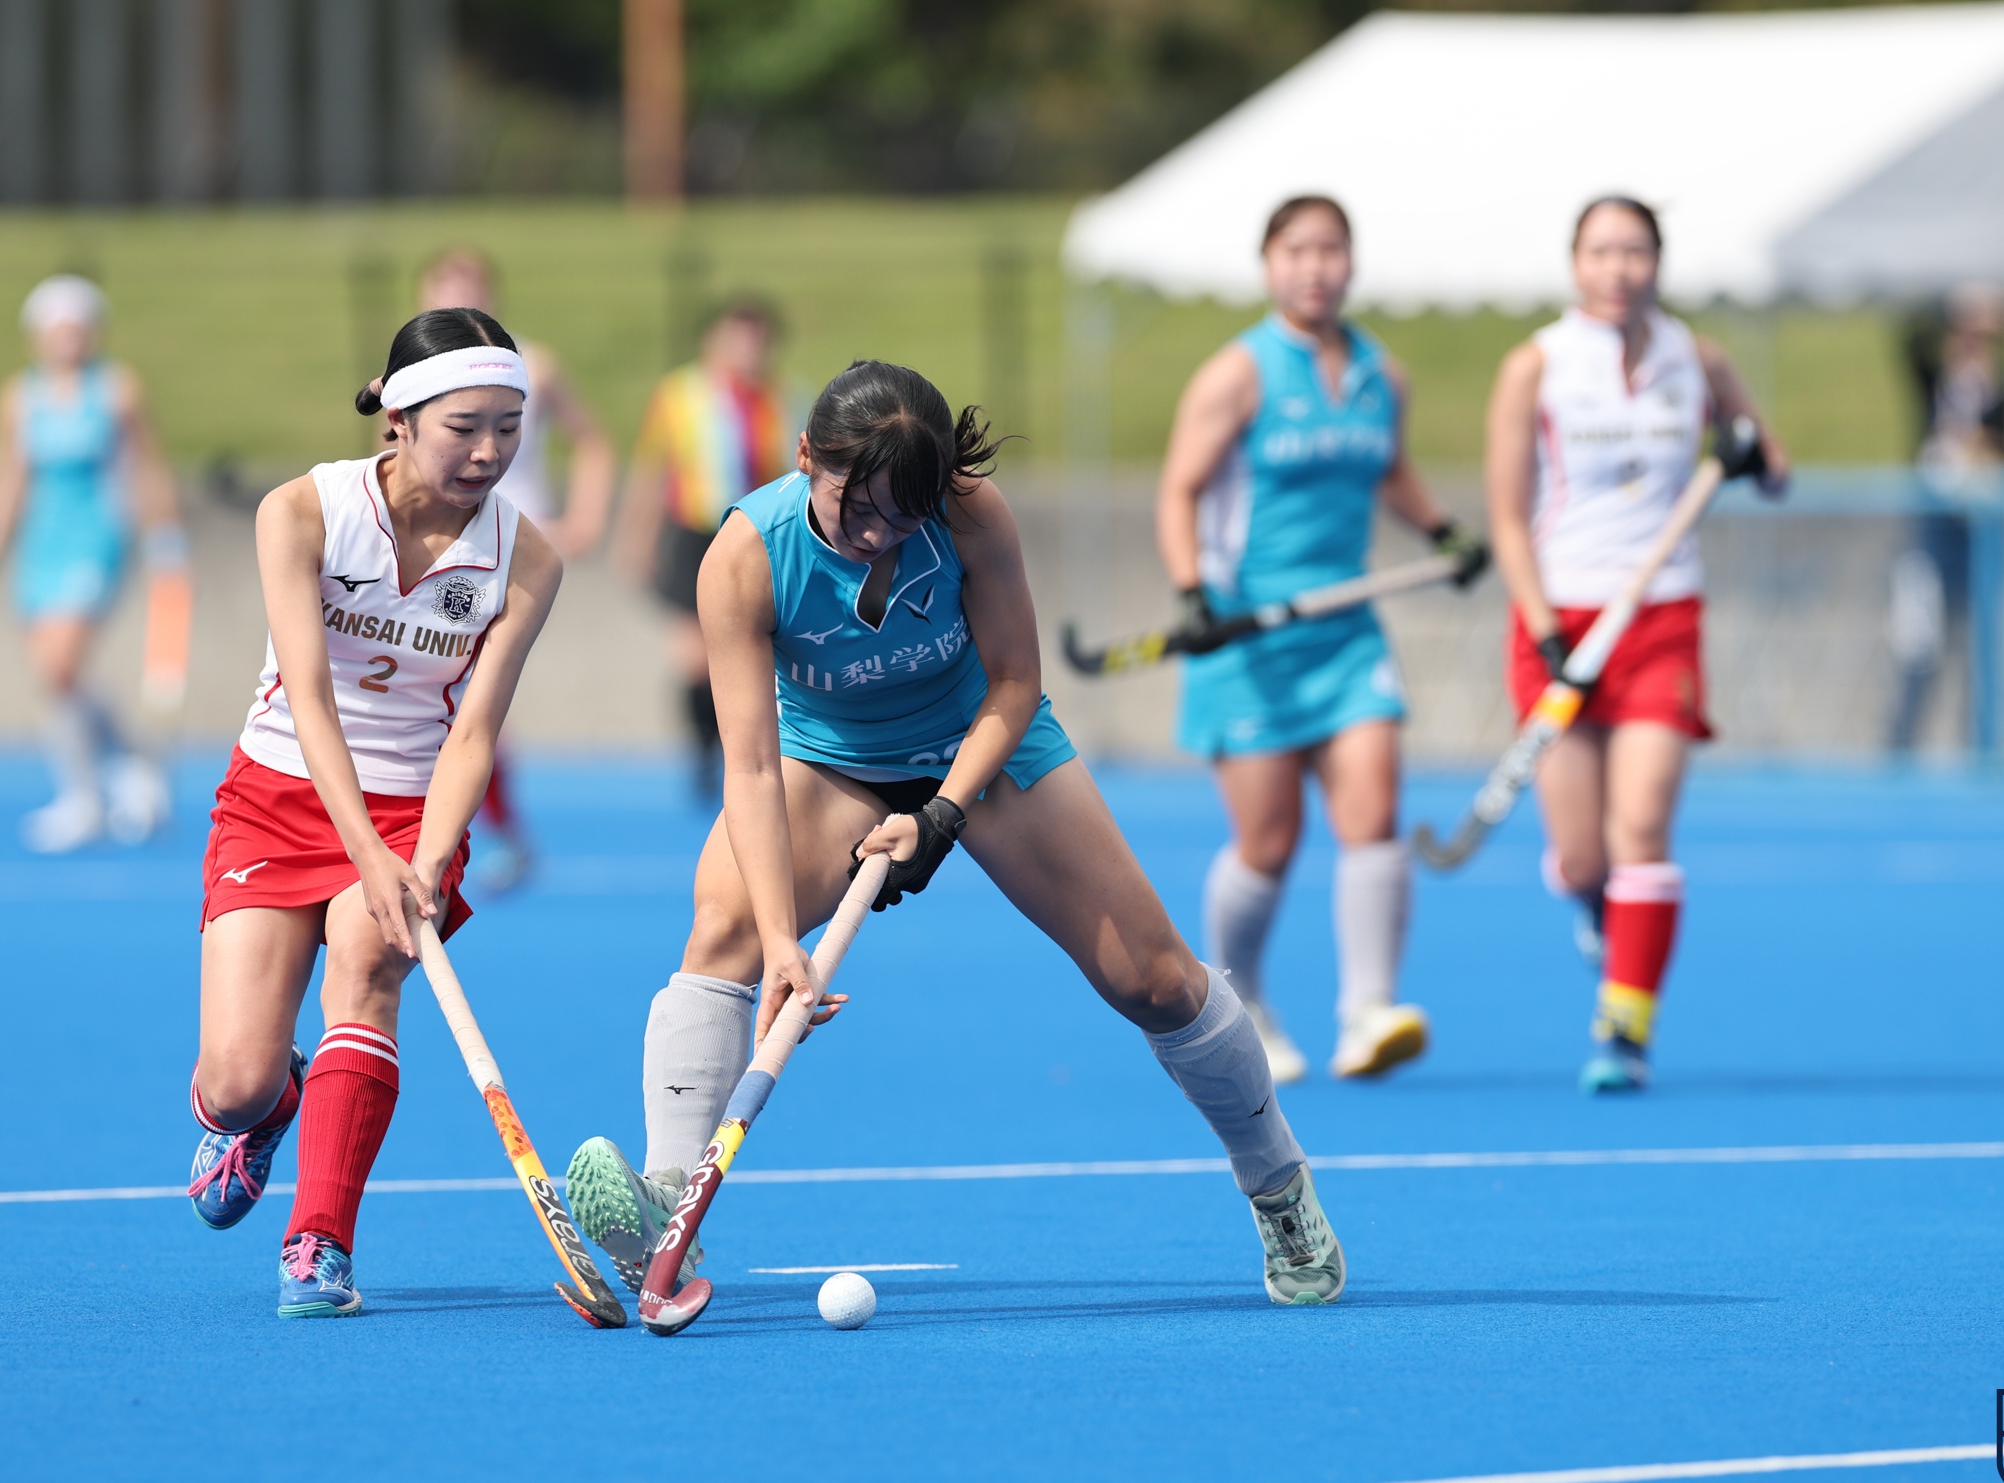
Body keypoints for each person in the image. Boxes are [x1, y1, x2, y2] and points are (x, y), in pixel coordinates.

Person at [563, 360, 1347, 1307]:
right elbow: (754, 768)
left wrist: (941, 813)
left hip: (980, 741)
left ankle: (1276, 1182)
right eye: (857, 507)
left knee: (1156, 980)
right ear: (806, 456)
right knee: (725, 928)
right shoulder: (742, 559)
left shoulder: (969, 513)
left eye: (901, 518)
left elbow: (1015, 680)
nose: (875, 534)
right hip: (829, 758)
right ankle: (667, 1207)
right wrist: (781, 944)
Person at [181, 308, 563, 1317]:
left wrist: (425, 861)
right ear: (399, 416)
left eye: (509, 428)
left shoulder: (527, 560)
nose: (489, 453)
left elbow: (475, 732)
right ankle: (271, 1103)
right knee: (232, 1082)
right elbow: (308, 695)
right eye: (464, 428)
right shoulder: (301, 513)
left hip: (412, 810)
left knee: (366, 971)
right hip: (279, 794)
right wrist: (360, 847)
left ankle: (319, 1243)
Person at [1156, 196, 1480, 1087]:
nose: (1315, 267)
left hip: (1345, 635)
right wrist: (1191, 593)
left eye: (1331, 249)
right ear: (1269, 263)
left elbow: (1388, 469)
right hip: (1247, 639)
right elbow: (1180, 489)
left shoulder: (1382, 373)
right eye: (1297, 250)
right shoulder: (1238, 374)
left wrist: (1441, 530)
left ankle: (1369, 1010)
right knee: (1269, 842)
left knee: (1373, 814)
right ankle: (1238, 1006)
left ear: (1352, 262)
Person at [1483, 196, 1787, 1094]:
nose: (1618, 269)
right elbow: (1507, 518)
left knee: (1643, 828)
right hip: (1560, 620)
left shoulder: (1698, 358)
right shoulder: (1535, 365)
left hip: (1661, 617)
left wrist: (1752, 455)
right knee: (1584, 857)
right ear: (1575, 263)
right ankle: (1598, 908)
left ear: (1659, 260)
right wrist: (1545, 630)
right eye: (1601, 251)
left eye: (1635, 251)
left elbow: (1773, 467)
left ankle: (1626, 1028)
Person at [415, 248, 617, 888]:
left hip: (508, 547)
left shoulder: (534, 365)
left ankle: (483, 831)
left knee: (467, 687)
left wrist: (583, 519)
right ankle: (481, 828)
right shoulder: (412, 377)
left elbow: (592, 439)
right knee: (449, 687)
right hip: (443, 548)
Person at [0, 275, 180, 853]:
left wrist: (165, 535)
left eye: (76, 328)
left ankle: (89, 796)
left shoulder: (116, 390)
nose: (67, 339)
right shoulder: (19, 398)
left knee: (61, 661)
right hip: (42, 544)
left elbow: (146, 466)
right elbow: (6, 478)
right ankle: (126, 765)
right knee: (54, 677)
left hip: (97, 538)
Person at [613, 299, 791, 797]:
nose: (748, 350)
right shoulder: (681, 395)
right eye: (738, 338)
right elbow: (652, 469)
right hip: (693, 533)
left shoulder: (782, 398)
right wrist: (636, 536)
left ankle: (746, 750)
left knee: (751, 649)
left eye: (757, 340)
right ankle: (703, 750)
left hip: (753, 535)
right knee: (695, 657)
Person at [1888, 285, 2004, 751]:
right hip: (1930, 536)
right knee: (1918, 646)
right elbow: (1909, 338)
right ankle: (1901, 746)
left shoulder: (2000, 399)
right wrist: (1957, 311)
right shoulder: (1935, 385)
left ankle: (1982, 750)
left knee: (1981, 649)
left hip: (1978, 538)